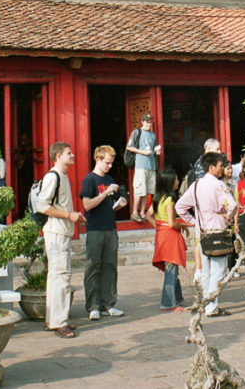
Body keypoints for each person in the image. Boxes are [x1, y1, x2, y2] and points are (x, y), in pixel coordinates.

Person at [175, 151, 237, 317]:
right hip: (217, 230)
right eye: (219, 165)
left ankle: (205, 303)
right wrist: (225, 215)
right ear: (211, 167)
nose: (221, 168)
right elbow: (233, 205)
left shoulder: (195, 185)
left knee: (206, 270)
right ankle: (212, 306)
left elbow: (180, 207)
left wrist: (195, 222)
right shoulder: (219, 185)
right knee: (218, 271)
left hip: (202, 232)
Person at [38, 141, 85, 338]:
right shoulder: (53, 176)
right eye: (69, 153)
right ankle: (59, 322)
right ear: (59, 156)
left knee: (56, 276)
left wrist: (73, 216)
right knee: (61, 276)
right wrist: (68, 216)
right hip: (56, 232)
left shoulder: (62, 176)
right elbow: (42, 206)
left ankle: (53, 318)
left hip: (61, 231)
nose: (72, 155)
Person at [81, 145, 127, 320]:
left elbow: (109, 205)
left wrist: (119, 204)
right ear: (98, 160)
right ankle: (93, 305)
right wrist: (105, 193)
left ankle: (109, 302)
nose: (109, 166)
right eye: (107, 163)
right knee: (93, 266)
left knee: (110, 266)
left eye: (111, 163)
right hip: (94, 229)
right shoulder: (89, 180)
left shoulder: (109, 179)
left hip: (110, 227)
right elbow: (87, 205)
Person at [146, 168, 188, 311]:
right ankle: (168, 303)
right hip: (170, 237)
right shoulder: (169, 200)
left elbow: (148, 215)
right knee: (172, 270)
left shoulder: (158, 197)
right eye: (176, 179)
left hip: (162, 235)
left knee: (171, 269)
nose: (178, 181)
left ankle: (176, 300)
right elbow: (172, 223)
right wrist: (183, 226)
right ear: (171, 182)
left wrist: (158, 225)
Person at [188, 138, 222, 280]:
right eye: (218, 149)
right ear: (208, 150)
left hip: (207, 207)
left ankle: (204, 269)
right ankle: (201, 269)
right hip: (205, 207)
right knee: (201, 238)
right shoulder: (202, 166)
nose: (220, 152)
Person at [126, 113, 162, 222]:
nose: (148, 124)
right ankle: (134, 213)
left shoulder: (153, 135)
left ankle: (142, 212)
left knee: (147, 190)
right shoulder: (136, 132)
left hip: (151, 165)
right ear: (142, 122)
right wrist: (142, 152)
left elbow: (154, 149)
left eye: (150, 122)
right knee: (139, 189)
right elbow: (129, 147)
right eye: (146, 122)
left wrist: (157, 151)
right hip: (140, 165)